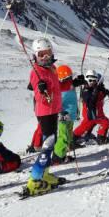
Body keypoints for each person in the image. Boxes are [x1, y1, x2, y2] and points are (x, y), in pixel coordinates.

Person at [24, 38, 64, 197]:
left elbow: (57, 87)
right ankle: (34, 179)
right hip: (45, 111)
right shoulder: (36, 72)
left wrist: (71, 83)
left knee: (52, 142)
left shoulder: (52, 68)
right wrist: (41, 89)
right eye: (42, 55)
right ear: (35, 56)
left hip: (54, 110)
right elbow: (39, 94)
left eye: (48, 54)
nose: (46, 58)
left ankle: (45, 173)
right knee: (48, 144)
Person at [52, 64, 86, 164]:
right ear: (61, 79)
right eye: (67, 78)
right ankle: (57, 157)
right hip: (63, 116)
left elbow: (73, 86)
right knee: (64, 137)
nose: (70, 79)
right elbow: (55, 102)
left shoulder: (69, 85)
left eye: (70, 77)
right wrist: (60, 112)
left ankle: (64, 153)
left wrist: (79, 80)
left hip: (70, 115)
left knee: (69, 135)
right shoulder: (59, 88)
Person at [74, 70, 109, 145]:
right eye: (90, 80)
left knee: (102, 122)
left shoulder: (96, 88)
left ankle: (100, 138)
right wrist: (95, 92)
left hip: (97, 114)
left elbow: (100, 95)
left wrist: (106, 92)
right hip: (90, 114)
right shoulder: (86, 90)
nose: (92, 82)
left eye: (94, 80)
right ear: (87, 79)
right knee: (87, 126)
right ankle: (73, 138)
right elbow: (90, 103)